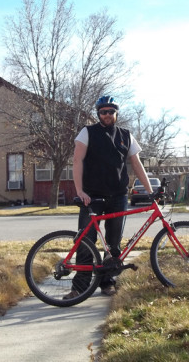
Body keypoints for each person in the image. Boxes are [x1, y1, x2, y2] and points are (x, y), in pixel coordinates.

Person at [64, 95, 153, 299]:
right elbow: (77, 161)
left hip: (118, 196)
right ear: (98, 113)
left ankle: (107, 282)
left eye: (111, 112)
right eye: (103, 111)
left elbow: (137, 165)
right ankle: (79, 286)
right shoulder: (87, 132)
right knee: (86, 241)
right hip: (92, 196)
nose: (107, 115)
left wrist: (150, 190)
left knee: (113, 244)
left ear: (116, 113)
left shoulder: (126, 135)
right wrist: (80, 191)